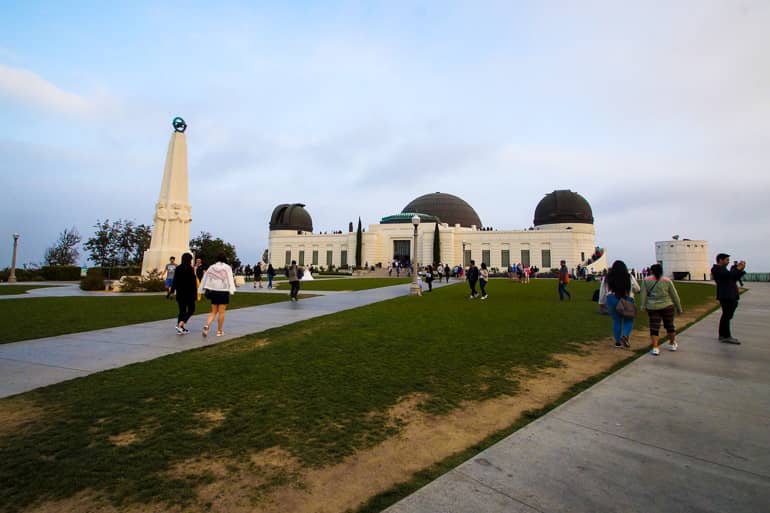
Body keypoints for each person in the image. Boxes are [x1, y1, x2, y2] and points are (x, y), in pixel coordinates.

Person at [639, 263, 683, 355]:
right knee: (669, 325)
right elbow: (674, 295)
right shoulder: (667, 280)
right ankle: (672, 343)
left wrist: (642, 306)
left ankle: (655, 347)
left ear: (651, 271)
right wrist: (679, 307)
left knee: (654, 326)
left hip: (652, 306)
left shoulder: (646, 280)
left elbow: (643, 294)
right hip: (667, 306)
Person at [198, 252, 236, 337]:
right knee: (221, 312)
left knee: (213, 312)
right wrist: (232, 290)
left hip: (214, 291)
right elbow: (230, 279)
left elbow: (206, 278)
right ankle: (219, 331)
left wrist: (202, 288)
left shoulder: (212, 267)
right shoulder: (227, 268)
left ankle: (207, 325)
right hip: (223, 291)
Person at [711, 253, 746, 344]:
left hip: (730, 295)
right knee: (726, 316)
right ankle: (726, 336)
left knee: (727, 316)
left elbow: (733, 278)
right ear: (720, 260)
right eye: (726, 259)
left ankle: (723, 335)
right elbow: (729, 276)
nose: (728, 261)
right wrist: (737, 268)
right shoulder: (716, 269)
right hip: (725, 295)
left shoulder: (723, 269)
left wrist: (741, 269)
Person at [605, 260, 641, 348]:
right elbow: (637, 288)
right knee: (629, 320)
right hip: (627, 298)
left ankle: (617, 342)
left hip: (611, 298)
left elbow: (603, 290)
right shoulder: (629, 276)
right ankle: (625, 335)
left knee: (616, 320)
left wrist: (601, 302)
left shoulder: (608, 277)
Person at [170, 253, 197, 335]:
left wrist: (171, 292)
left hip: (180, 293)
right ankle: (181, 324)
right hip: (189, 293)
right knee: (191, 310)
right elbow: (193, 283)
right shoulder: (190, 269)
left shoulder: (178, 268)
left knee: (182, 311)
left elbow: (175, 281)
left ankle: (180, 328)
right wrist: (195, 294)